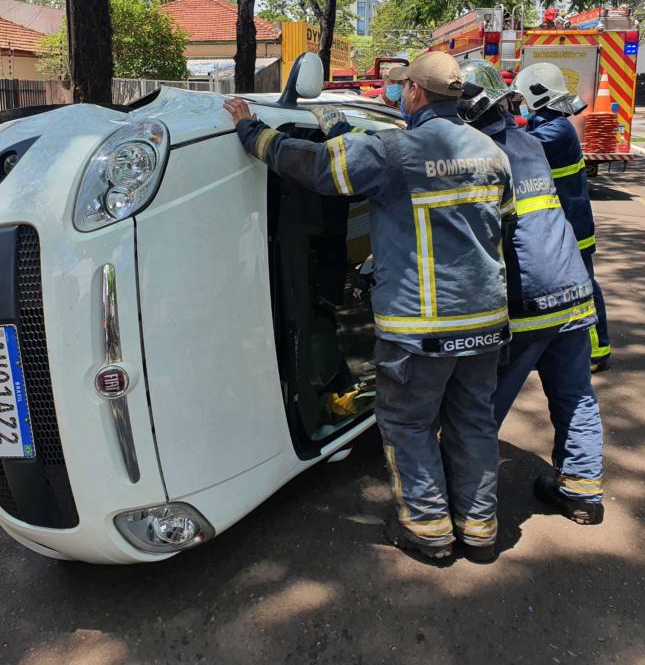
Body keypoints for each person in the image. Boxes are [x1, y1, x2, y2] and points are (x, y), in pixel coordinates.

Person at [224, 51, 516, 563]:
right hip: (487, 323)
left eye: (404, 87)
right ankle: (479, 528)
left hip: (420, 328)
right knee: (473, 423)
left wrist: (252, 134)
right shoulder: (491, 152)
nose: (400, 93)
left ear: (417, 94)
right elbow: (504, 224)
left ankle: (428, 531)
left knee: (409, 424)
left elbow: (317, 167)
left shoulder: (396, 151)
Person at [457, 59, 604, 526]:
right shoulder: (529, 143)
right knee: (575, 394)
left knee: (483, 404)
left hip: (527, 300)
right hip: (573, 289)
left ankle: (467, 504)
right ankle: (581, 493)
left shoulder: (482, 156)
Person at [514, 63, 612, 372]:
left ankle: (598, 350)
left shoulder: (555, 130)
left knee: (583, 287)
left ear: (535, 92)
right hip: (565, 223)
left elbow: (519, 145)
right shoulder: (549, 123)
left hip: (572, 226)